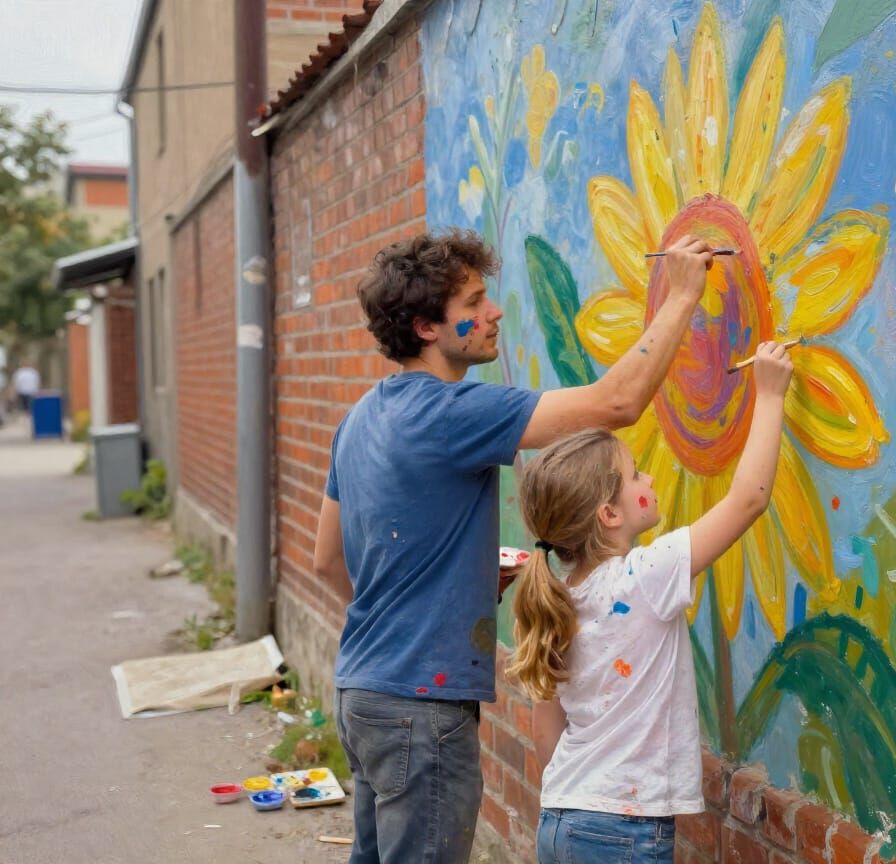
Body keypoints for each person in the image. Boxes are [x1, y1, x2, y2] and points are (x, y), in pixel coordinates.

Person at [312, 227, 715, 863]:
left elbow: (328, 560)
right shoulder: (450, 411)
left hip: (363, 691)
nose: (493, 311)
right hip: (422, 706)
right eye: (473, 304)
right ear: (426, 328)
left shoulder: (360, 418)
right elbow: (618, 402)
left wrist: (425, 600)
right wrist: (683, 297)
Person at [509, 340, 794, 864]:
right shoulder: (644, 576)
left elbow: (546, 734)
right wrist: (770, 394)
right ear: (609, 515)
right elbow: (748, 499)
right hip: (622, 830)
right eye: (637, 474)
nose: (650, 479)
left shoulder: (556, 598)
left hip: (562, 818)